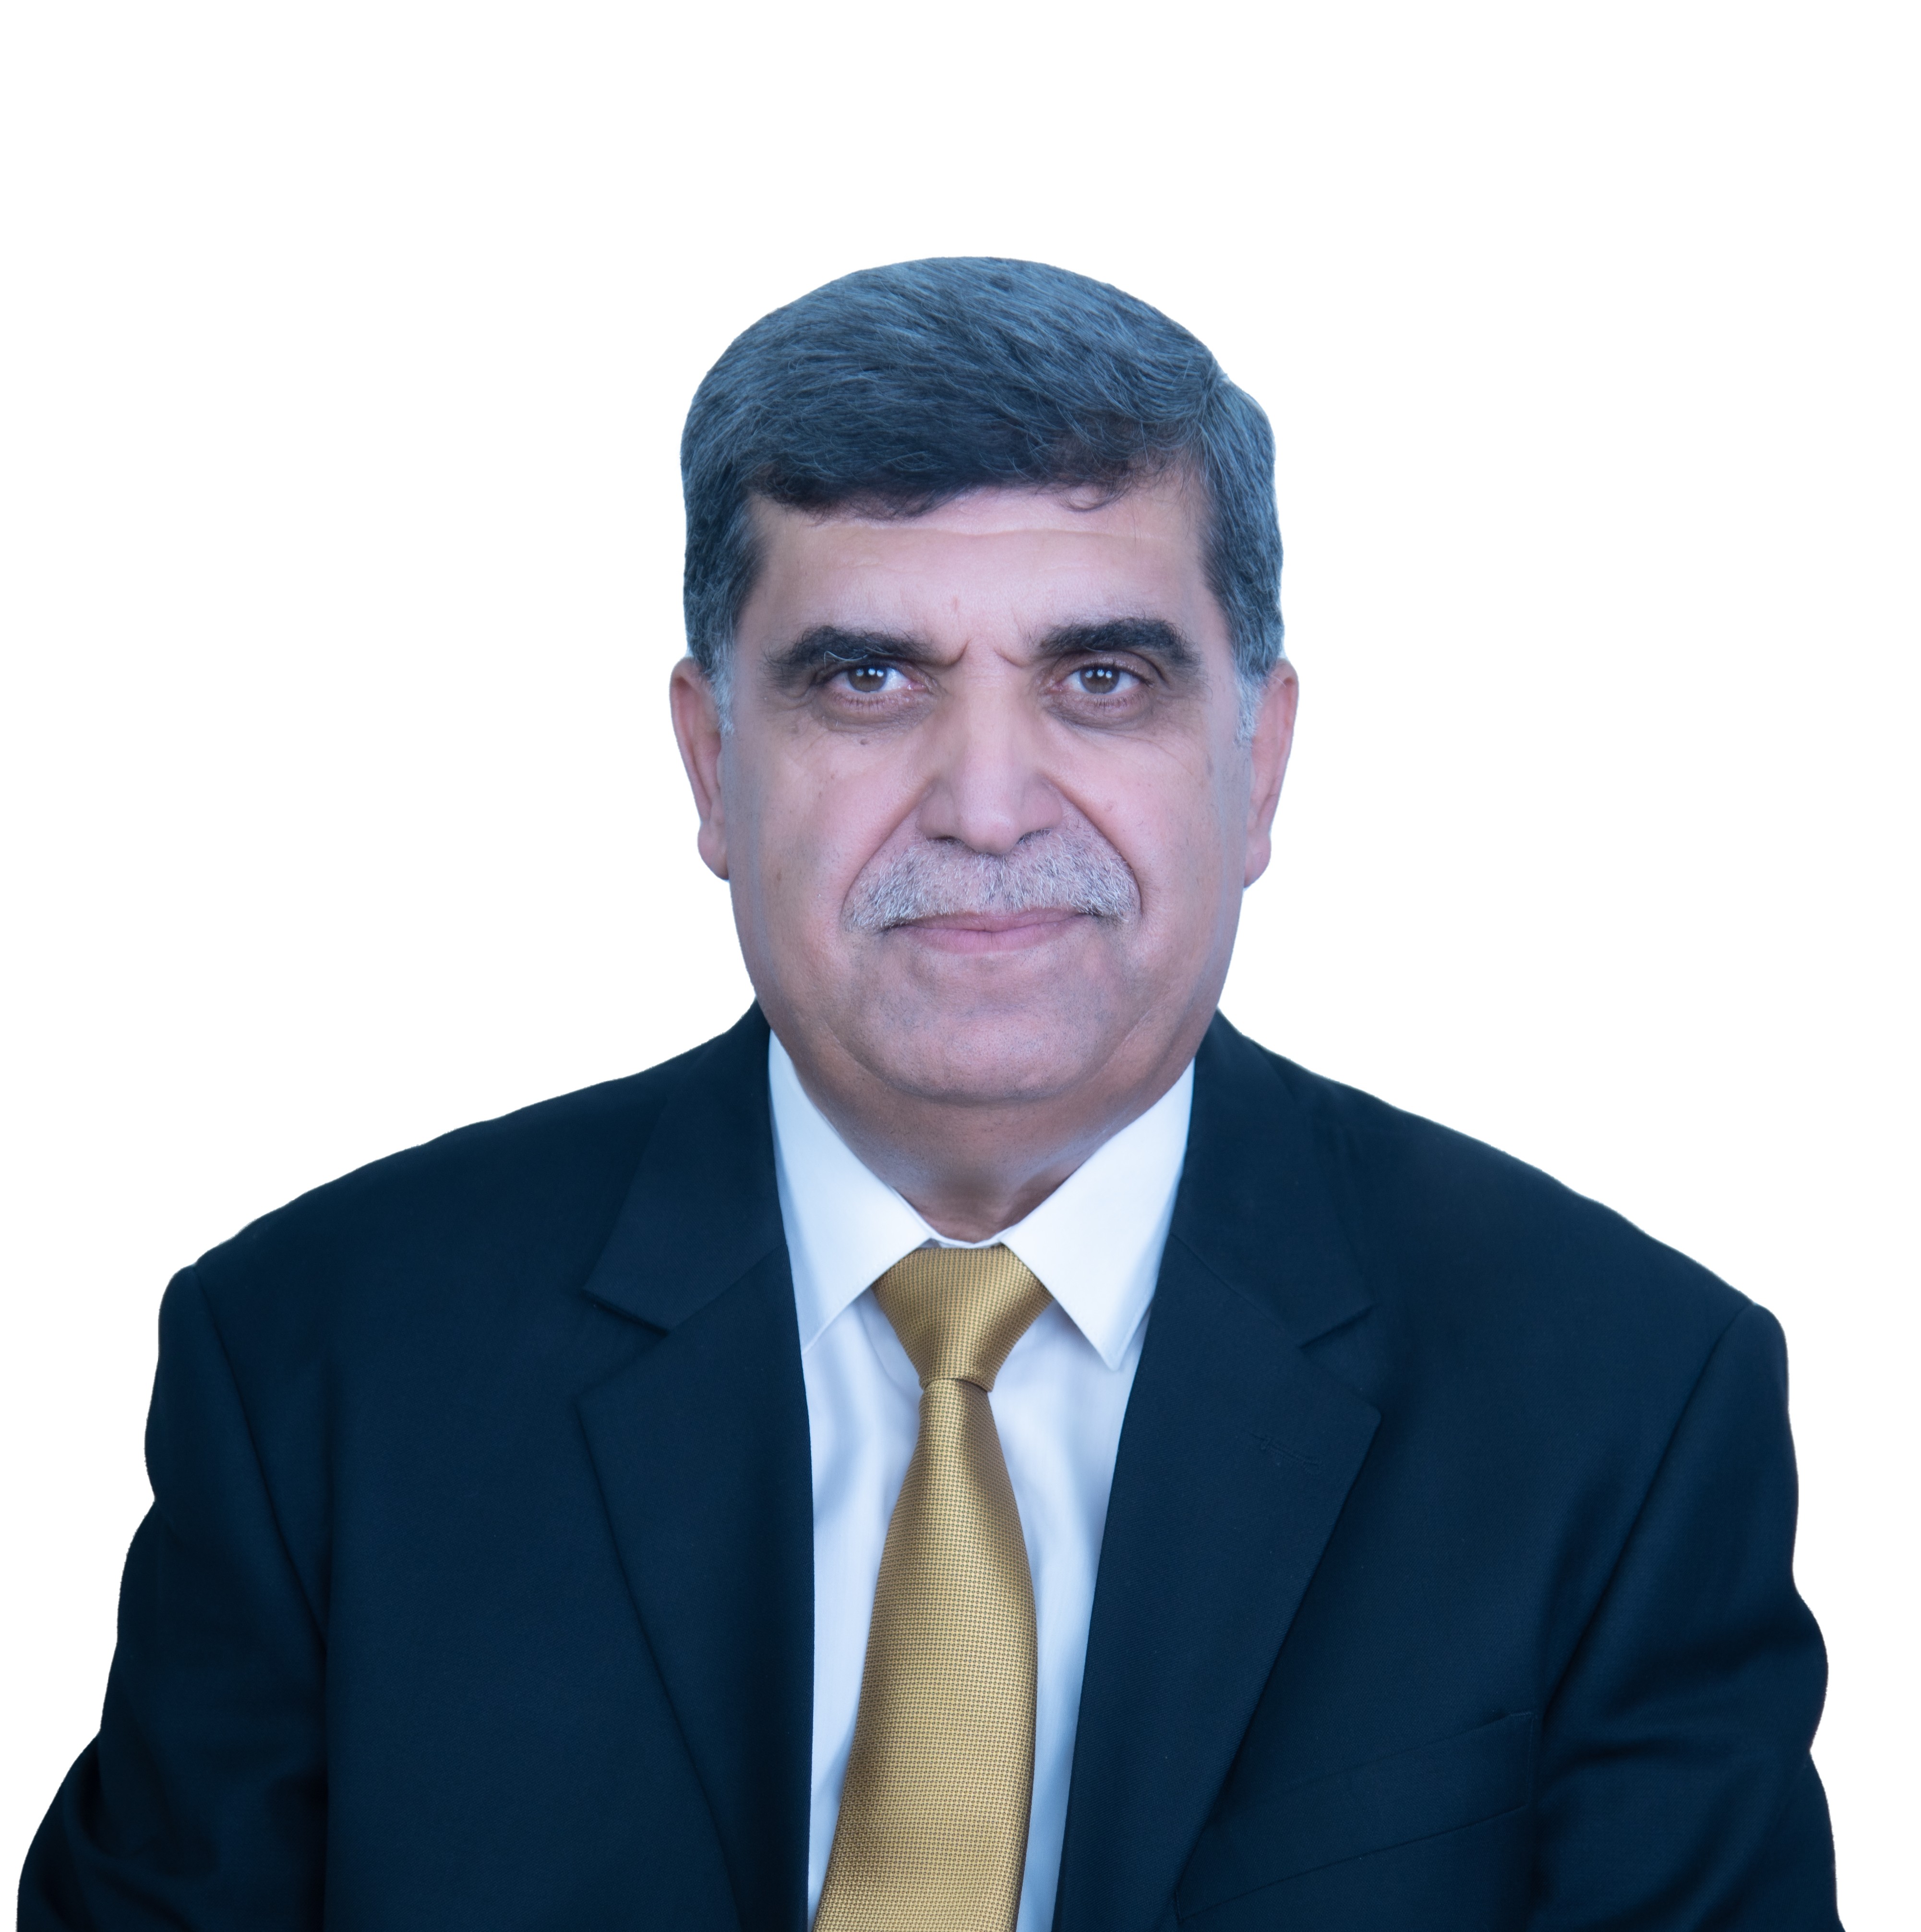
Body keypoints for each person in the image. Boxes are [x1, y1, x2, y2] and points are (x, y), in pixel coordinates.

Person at [20, 258, 1838, 1931]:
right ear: (712, 762)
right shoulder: (323, 1361)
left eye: (1101, 678)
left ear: (1259, 760)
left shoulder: (1618, 1399)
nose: (985, 804)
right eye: (869, 679)